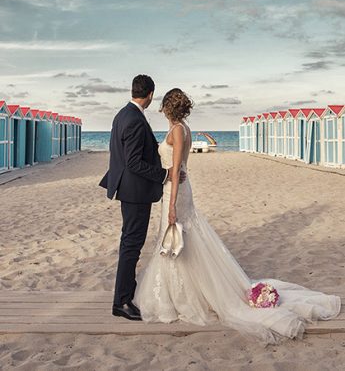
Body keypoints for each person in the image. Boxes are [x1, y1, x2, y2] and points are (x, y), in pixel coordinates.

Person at [133, 88, 341, 344]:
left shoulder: (176, 130)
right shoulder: (185, 128)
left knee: (175, 242)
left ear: (167, 108)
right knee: (186, 242)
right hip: (181, 188)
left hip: (176, 190)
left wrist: (172, 203)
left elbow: (175, 171)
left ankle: (179, 299)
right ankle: (189, 291)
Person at [99, 75, 185, 321]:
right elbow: (134, 162)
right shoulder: (135, 119)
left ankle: (125, 294)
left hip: (127, 189)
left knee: (130, 243)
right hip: (135, 192)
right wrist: (165, 174)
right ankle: (123, 302)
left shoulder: (122, 114)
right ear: (149, 95)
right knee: (131, 246)